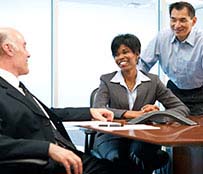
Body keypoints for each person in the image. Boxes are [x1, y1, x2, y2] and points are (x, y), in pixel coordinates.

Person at [0, 27, 129, 174]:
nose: (28, 54)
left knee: (128, 167)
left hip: (65, 157)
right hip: (44, 163)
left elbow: (47, 114)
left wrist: (89, 112)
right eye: (24, 46)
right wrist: (47, 149)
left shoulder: (15, 86)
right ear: (8, 49)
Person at [92, 33, 190, 174]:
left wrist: (156, 115)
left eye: (125, 52)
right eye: (116, 54)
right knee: (118, 158)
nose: (120, 57)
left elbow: (181, 108)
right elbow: (97, 109)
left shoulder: (153, 81)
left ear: (137, 54)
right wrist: (131, 114)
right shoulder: (107, 80)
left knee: (140, 156)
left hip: (142, 135)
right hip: (112, 136)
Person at [139, 1, 203, 116]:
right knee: (172, 126)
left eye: (183, 20)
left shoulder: (201, 41)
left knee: (196, 129)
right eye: (173, 19)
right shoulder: (163, 37)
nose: (177, 25)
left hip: (199, 93)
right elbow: (142, 64)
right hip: (174, 91)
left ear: (193, 21)